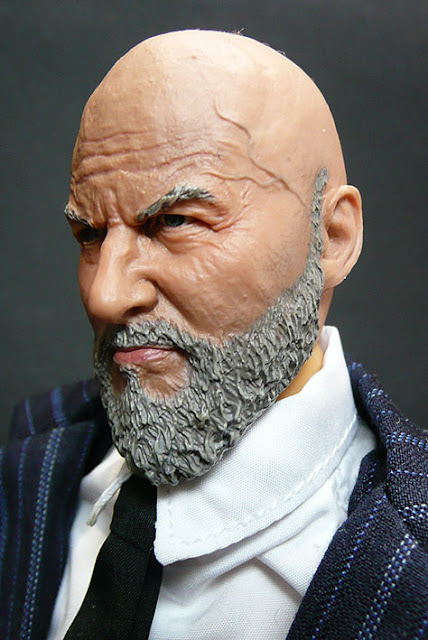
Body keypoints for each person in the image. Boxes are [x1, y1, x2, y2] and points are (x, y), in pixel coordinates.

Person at [1, 30, 427, 640]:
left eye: (176, 220)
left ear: (331, 238)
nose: (106, 295)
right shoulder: (33, 465)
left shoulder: (408, 564)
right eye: (89, 235)